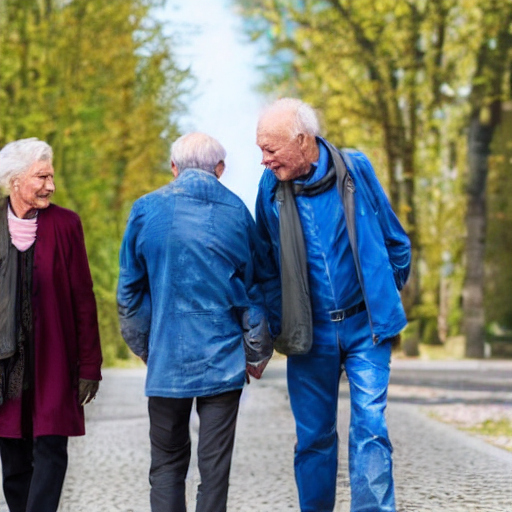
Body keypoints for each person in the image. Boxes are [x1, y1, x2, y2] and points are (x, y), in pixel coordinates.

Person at [255, 98, 411, 512]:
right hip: (310, 332)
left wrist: (383, 293)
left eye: (270, 149)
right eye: (261, 150)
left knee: (371, 428)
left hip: (366, 328)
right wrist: (277, 321)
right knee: (314, 438)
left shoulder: (356, 169)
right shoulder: (270, 189)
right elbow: (266, 266)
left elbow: (396, 241)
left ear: (303, 141)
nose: (264, 160)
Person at [117, 132, 273, 512]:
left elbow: (129, 291)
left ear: (174, 168)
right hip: (223, 359)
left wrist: (146, 345)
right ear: (220, 169)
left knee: (167, 464)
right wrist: (256, 351)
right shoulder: (237, 212)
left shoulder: (145, 209)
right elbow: (255, 289)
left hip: (167, 356)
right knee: (215, 469)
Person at [0, 138, 103, 512]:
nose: (50, 186)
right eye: (41, 177)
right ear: (14, 179)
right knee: (12, 452)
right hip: (5, 363)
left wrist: (90, 366)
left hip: (54, 358)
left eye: (51, 176)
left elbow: (83, 298)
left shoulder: (66, 224)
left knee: (51, 447)